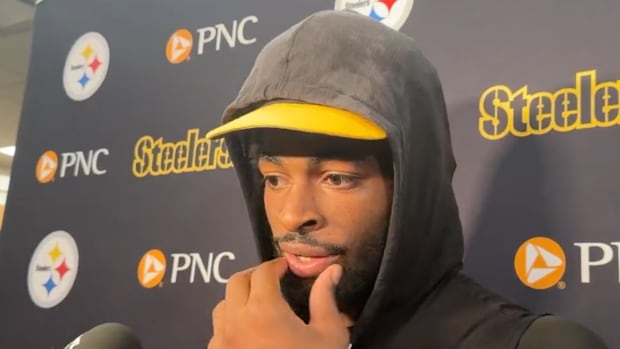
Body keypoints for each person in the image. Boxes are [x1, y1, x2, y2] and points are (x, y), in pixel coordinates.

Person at [204, 10, 608, 349]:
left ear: (415, 190)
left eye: (338, 178)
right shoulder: (247, 335)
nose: (293, 214)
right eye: (274, 179)